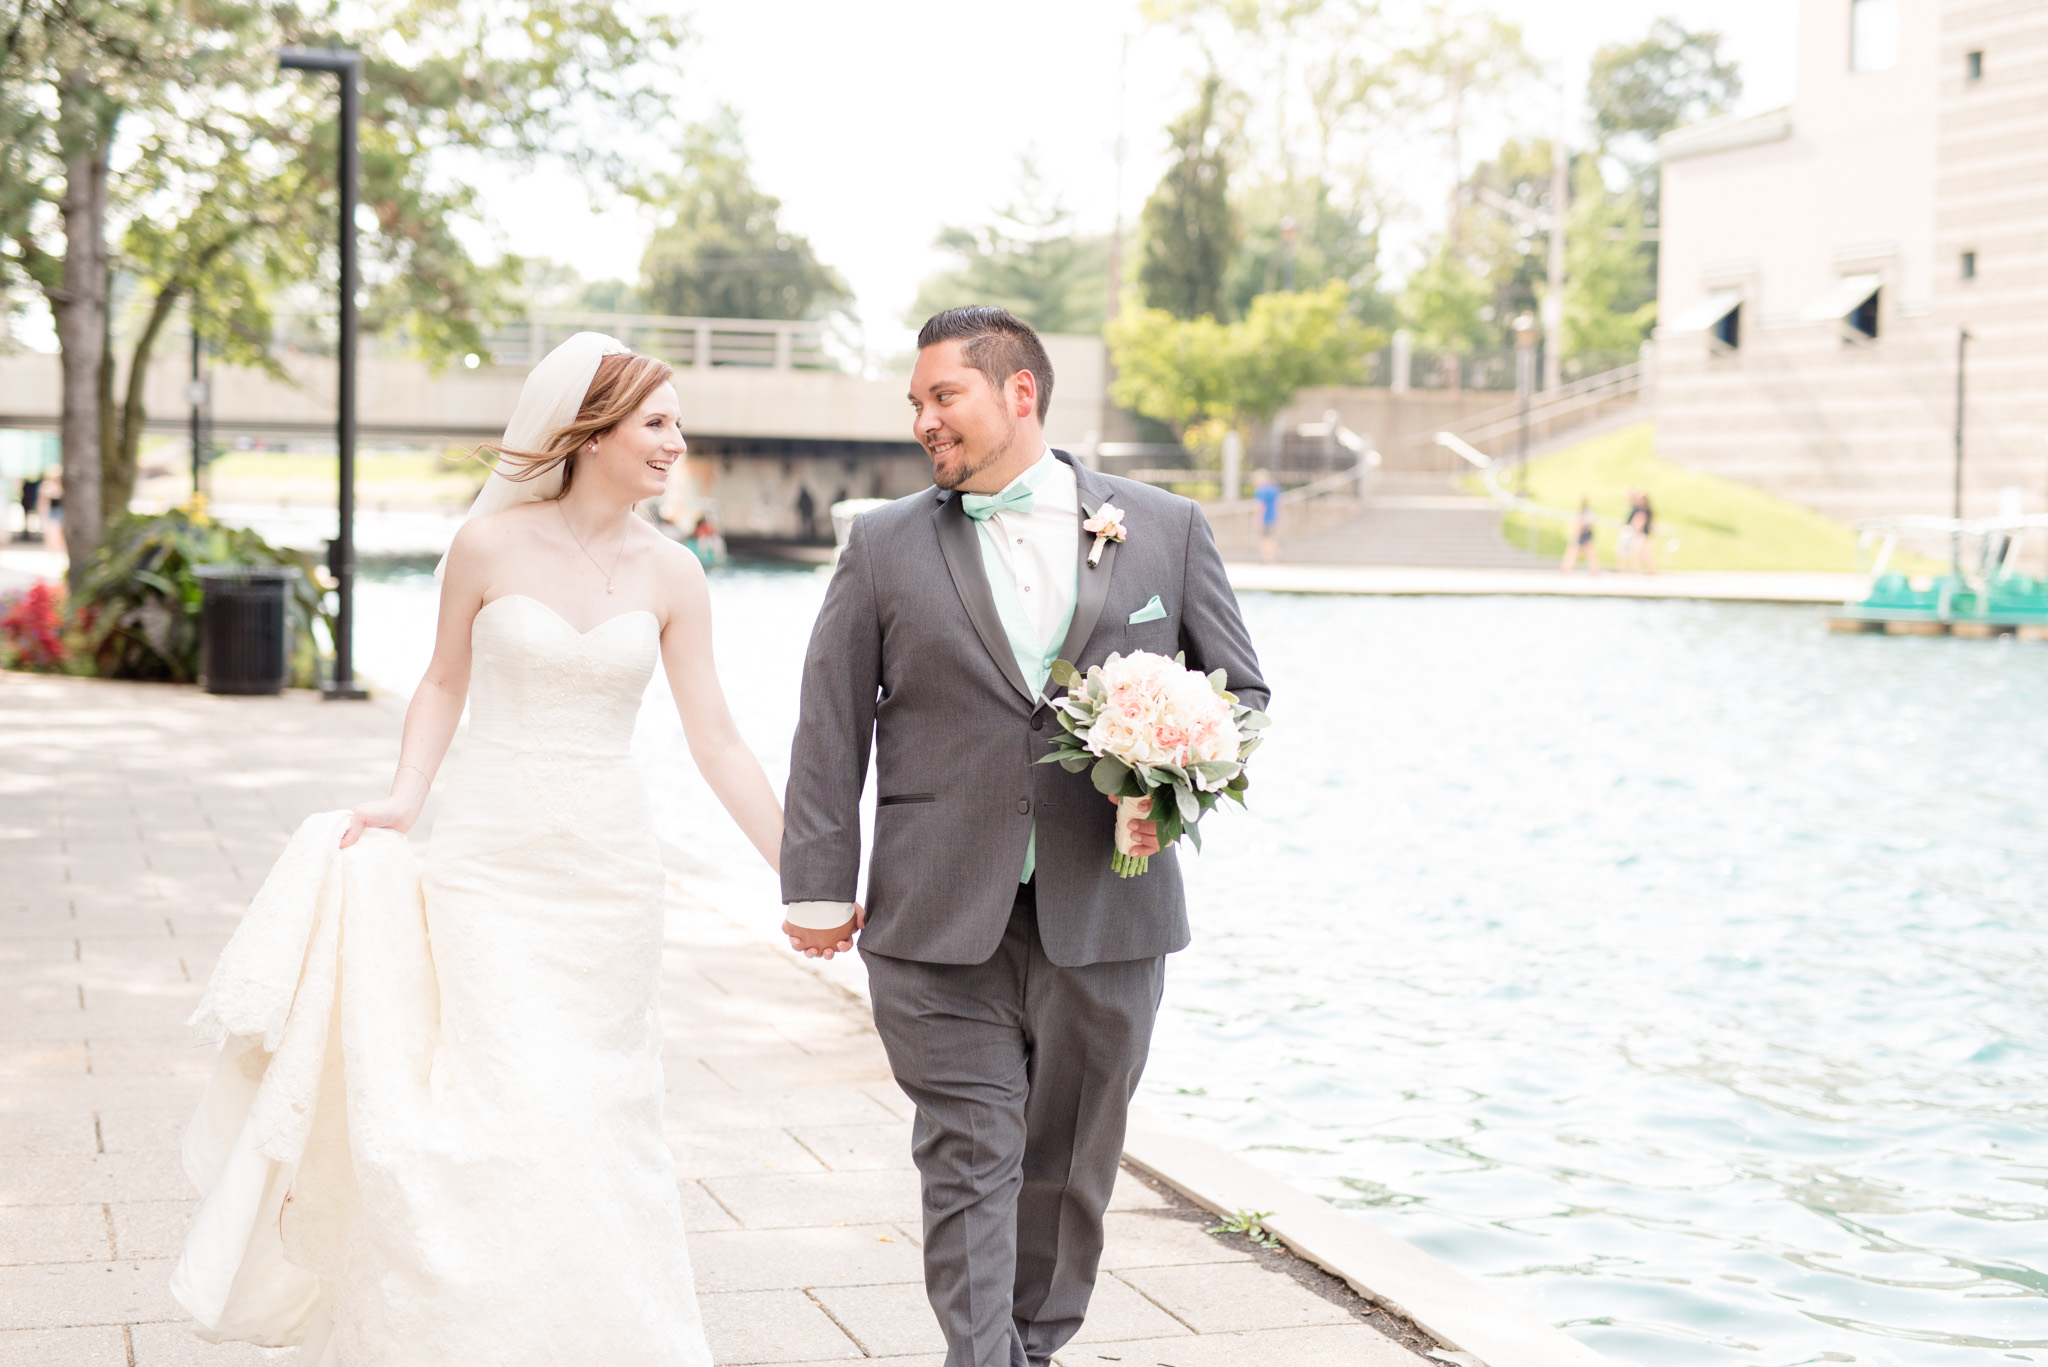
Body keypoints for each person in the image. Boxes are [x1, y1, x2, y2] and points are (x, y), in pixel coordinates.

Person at [171, 335, 808, 1365]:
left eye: (676, 423)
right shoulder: (490, 547)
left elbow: (718, 738)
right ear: (590, 430)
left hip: (607, 873)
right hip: (487, 859)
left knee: (600, 1113)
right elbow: (441, 683)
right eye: (656, 422)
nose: (675, 443)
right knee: (499, 1102)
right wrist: (403, 798)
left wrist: (801, 868)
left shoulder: (675, 572)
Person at [782, 306, 1269, 1367]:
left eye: (940, 395)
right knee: (966, 1157)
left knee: (1069, 1168)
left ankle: (1031, 1349)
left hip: (1110, 908)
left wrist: (1168, 775)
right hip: (935, 915)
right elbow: (828, 722)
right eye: (913, 402)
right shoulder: (880, 544)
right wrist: (816, 884)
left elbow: (1241, 694)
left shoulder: (1165, 527)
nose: (922, 420)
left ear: (1017, 393)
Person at [1561, 496, 1600, 574]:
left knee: (1586, 553)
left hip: (1584, 534)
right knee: (1575, 552)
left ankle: (1595, 569)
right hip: (1582, 534)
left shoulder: (1587, 512)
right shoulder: (1582, 512)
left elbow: (1588, 524)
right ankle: (1567, 568)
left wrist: (1578, 530)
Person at [1253, 467, 1281, 563]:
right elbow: (1279, 504)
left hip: (1265, 517)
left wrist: (1258, 519)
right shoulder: (1274, 489)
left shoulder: (1261, 490)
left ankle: (1268, 557)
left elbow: (1260, 506)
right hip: (1273, 516)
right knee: (1270, 537)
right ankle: (1275, 554)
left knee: (1264, 539)